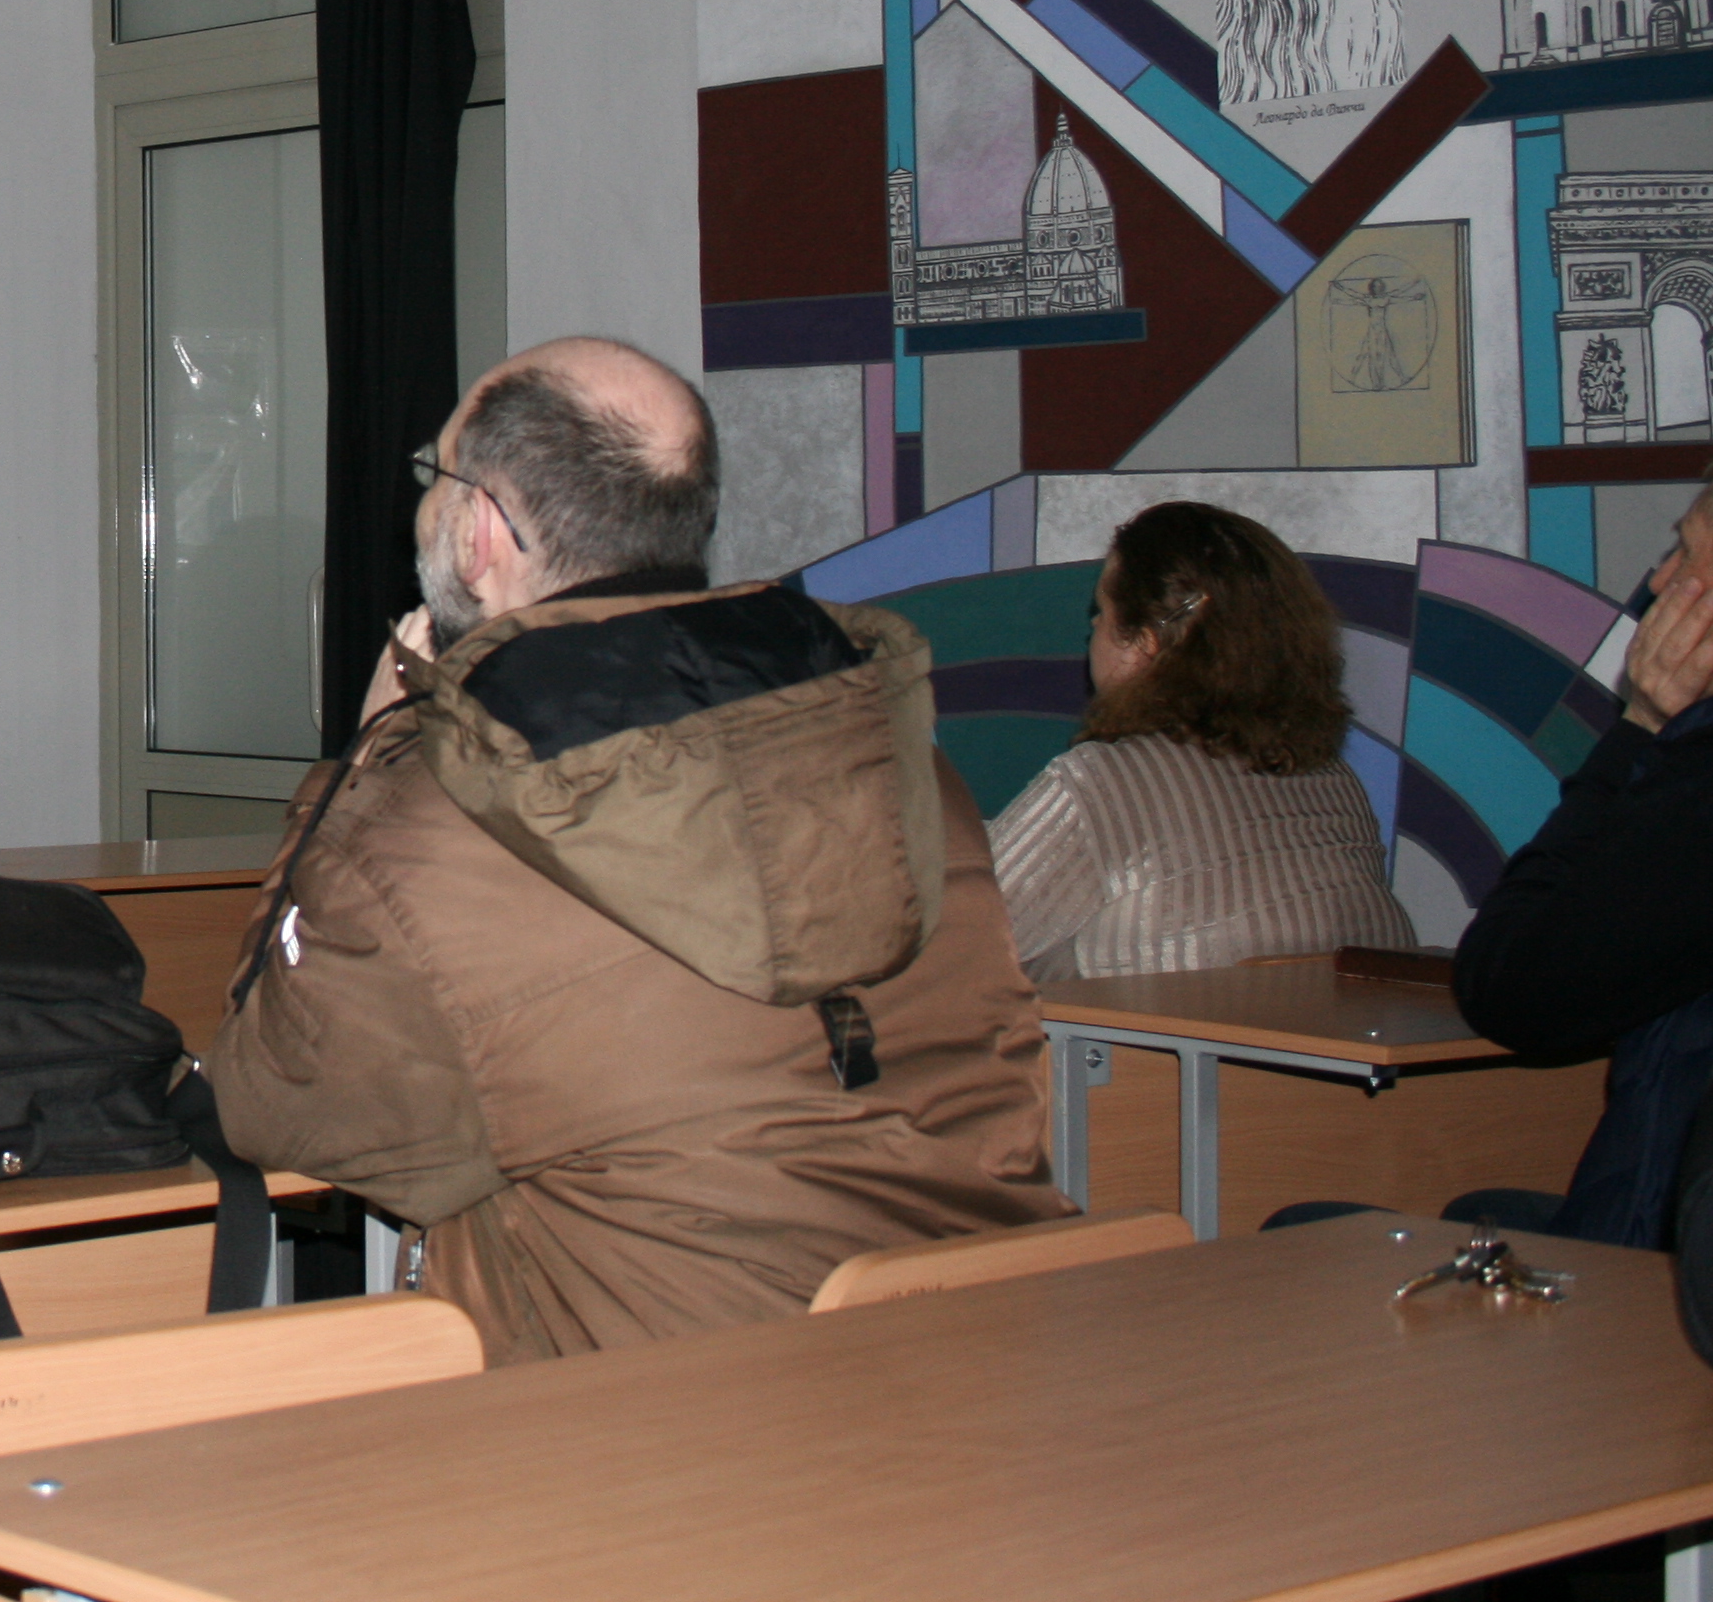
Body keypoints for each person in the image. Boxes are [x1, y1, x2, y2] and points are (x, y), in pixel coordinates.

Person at [207, 337, 1060, 1363]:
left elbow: (273, 1107)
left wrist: (358, 764)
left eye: (437, 478)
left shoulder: (431, 822)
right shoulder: (897, 754)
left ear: (481, 531)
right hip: (983, 1359)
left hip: (664, 1416)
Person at [988, 501, 1414, 982]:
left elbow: (949, 933)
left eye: (1101, 614)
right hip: (1345, 1029)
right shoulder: (1333, 777)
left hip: (1169, 1032)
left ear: (1144, 642)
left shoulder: (1103, 780)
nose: (1092, 631)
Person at [1450, 471, 1713, 1246]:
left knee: (1302, 1234)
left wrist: (1642, 726)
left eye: (1687, 553)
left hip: (1666, 1267)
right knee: (1478, 1210)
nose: (1658, 580)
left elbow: (1510, 987)